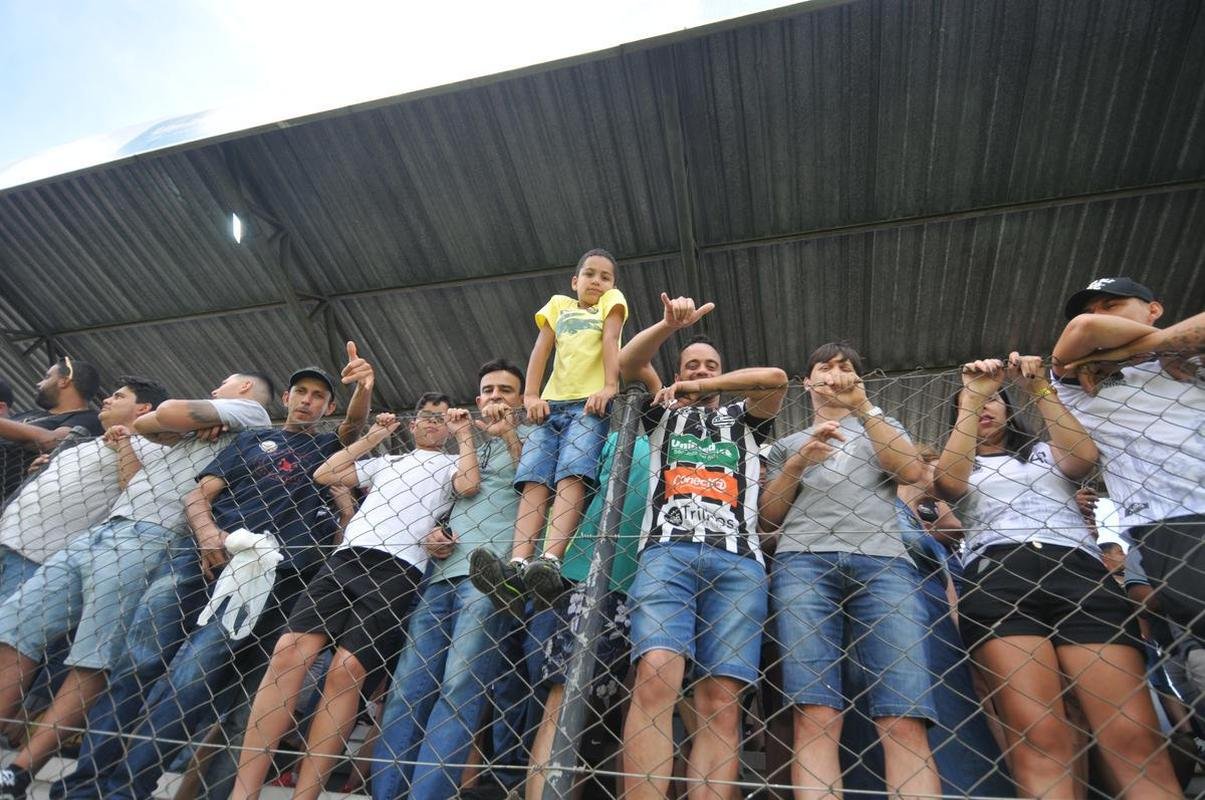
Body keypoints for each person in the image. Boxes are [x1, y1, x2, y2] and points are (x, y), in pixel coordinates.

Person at [88, 366, 360, 800]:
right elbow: (199, 494)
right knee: (171, 674)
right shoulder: (250, 440)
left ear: (329, 407)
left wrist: (364, 388)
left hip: (285, 578)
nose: (308, 401)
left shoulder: (333, 448)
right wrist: (207, 533)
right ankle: (120, 787)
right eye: (301, 392)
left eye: (319, 396)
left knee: (232, 699)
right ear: (286, 398)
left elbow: (355, 426)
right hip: (219, 560)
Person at [0, 371, 272, 799]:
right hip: (104, 530)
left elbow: (164, 413)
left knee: (94, 656)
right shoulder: (191, 430)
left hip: (153, 537)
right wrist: (169, 422)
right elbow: (150, 424)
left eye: (223, 383)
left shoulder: (251, 412)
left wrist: (173, 418)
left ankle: (19, 770)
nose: (214, 387)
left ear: (242, 389)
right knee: (15, 630)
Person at [935, 353, 1179, 797]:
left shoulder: (1047, 453)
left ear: (1011, 408)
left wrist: (1037, 389)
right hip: (998, 577)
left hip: (1079, 571)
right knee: (1040, 738)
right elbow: (946, 486)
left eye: (996, 402)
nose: (987, 408)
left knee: (1133, 737)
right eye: (972, 408)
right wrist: (971, 399)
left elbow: (1083, 459)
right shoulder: (962, 463)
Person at [233, 393, 479, 800]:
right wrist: (376, 435)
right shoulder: (388, 462)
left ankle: (306, 793)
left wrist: (464, 435)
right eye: (424, 416)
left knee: (347, 671)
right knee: (289, 652)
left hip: (401, 567)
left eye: (440, 418)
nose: (432, 422)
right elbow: (327, 473)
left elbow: (469, 485)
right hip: (347, 556)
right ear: (412, 425)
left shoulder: (453, 463)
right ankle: (243, 792)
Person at [617, 293, 788, 800]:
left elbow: (776, 378)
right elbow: (628, 362)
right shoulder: (662, 410)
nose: (699, 371)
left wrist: (704, 384)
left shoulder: (747, 418)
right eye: (690, 364)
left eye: (711, 366)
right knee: (655, 678)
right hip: (666, 553)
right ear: (676, 371)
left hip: (739, 562)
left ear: (722, 374)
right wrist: (669, 326)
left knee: (722, 700)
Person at [759, 342, 940, 800]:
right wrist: (799, 463)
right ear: (808, 381)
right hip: (802, 563)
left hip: (885, 564)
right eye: (825, 368)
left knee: (903, 714)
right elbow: (769, 518)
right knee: (814, 713)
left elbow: (912, 472)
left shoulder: (882, 424)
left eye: (845, 369)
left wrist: (862, 406)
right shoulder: (785, 444)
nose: (835, 375)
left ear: (859, 380)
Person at [371, 359, 530, 800]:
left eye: (506, 391)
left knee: (460, 689)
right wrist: (434, 531)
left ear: (521, 400)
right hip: (439, 575)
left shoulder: (537, 436)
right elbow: (446, 501)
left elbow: (539, 489)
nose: (496, 397)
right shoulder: (464, 447)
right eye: (488, 391)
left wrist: (511, 434)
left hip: (492, 575)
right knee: (407, 690)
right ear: (477, 400)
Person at [471, 249, 637, 609]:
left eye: (605, 276)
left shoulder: (612, 301)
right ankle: (517, 564)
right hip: (549, 406)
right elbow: (541, 350)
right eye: (589, 274)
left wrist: (610, 386)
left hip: (589, 405)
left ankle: (550, 559)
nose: (596, 281)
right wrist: (530, 393)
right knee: (534, 478)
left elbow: (611, 341)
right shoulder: (559, 306)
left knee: (572, 474)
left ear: (612, 284)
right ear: (574, 281)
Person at [1051, 277, 1204, 640]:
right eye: (1093, 307)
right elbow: (1083, 329)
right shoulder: (1077, 373)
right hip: (1171, 516)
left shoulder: (1192, 354)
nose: (1098, 314)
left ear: (1154, 310)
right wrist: (1156, 347)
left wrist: (1133, 350)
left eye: (1112, 305)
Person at [0, 376, 168, 602]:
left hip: (36, 553)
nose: (107, 400)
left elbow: (136, 492)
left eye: (118, 396)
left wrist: (124, 445)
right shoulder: (87, 443)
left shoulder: (151, 447)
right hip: (8, 533)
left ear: (143, 408)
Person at [0, 358, 103, 504]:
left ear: (64, 381)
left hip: (10, 498)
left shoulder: (89, 418)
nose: (39, 384)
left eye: (47, 377)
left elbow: (51, 441)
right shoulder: (30, 414)